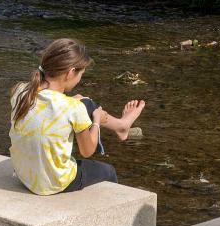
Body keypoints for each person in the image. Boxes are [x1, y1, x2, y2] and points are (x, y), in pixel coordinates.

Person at [9, 38, 144, 195]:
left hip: (23, 175)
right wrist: (97, 121)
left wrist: (77, 103)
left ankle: (121, 126)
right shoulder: (73, 108)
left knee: (85, 103)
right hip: (53, 184)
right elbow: (87, 151)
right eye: (81, 74)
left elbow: (46, 108)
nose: (80, 79)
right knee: (108, 171)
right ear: (71, 72)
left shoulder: (21, 91)